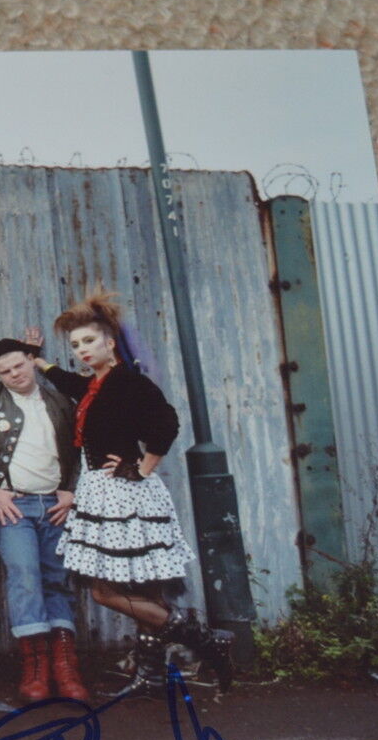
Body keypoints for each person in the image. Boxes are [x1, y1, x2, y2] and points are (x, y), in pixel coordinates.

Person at [31, 292, 231, 695]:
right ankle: (152, 672)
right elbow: (66, 381)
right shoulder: (94, 385)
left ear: (109, 342)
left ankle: (199, 638)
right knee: (142, 588)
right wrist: (36, 359)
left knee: (106, 590)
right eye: (75, 346)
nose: (82, 351)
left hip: (126, 494)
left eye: (89, 341)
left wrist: (140, 469)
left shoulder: (129, 382)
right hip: (102, 493)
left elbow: (166, 424)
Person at [0, 338, 89, 703]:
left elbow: (81, 449)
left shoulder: (60, 402)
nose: (13, 375)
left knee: (57, 578)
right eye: (4, 372)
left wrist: (71, 490)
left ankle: (65, 667)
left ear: (32, 361)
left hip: (55, 505)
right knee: (24, 574)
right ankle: (35, 667)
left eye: (18, 366)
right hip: (12, 507)